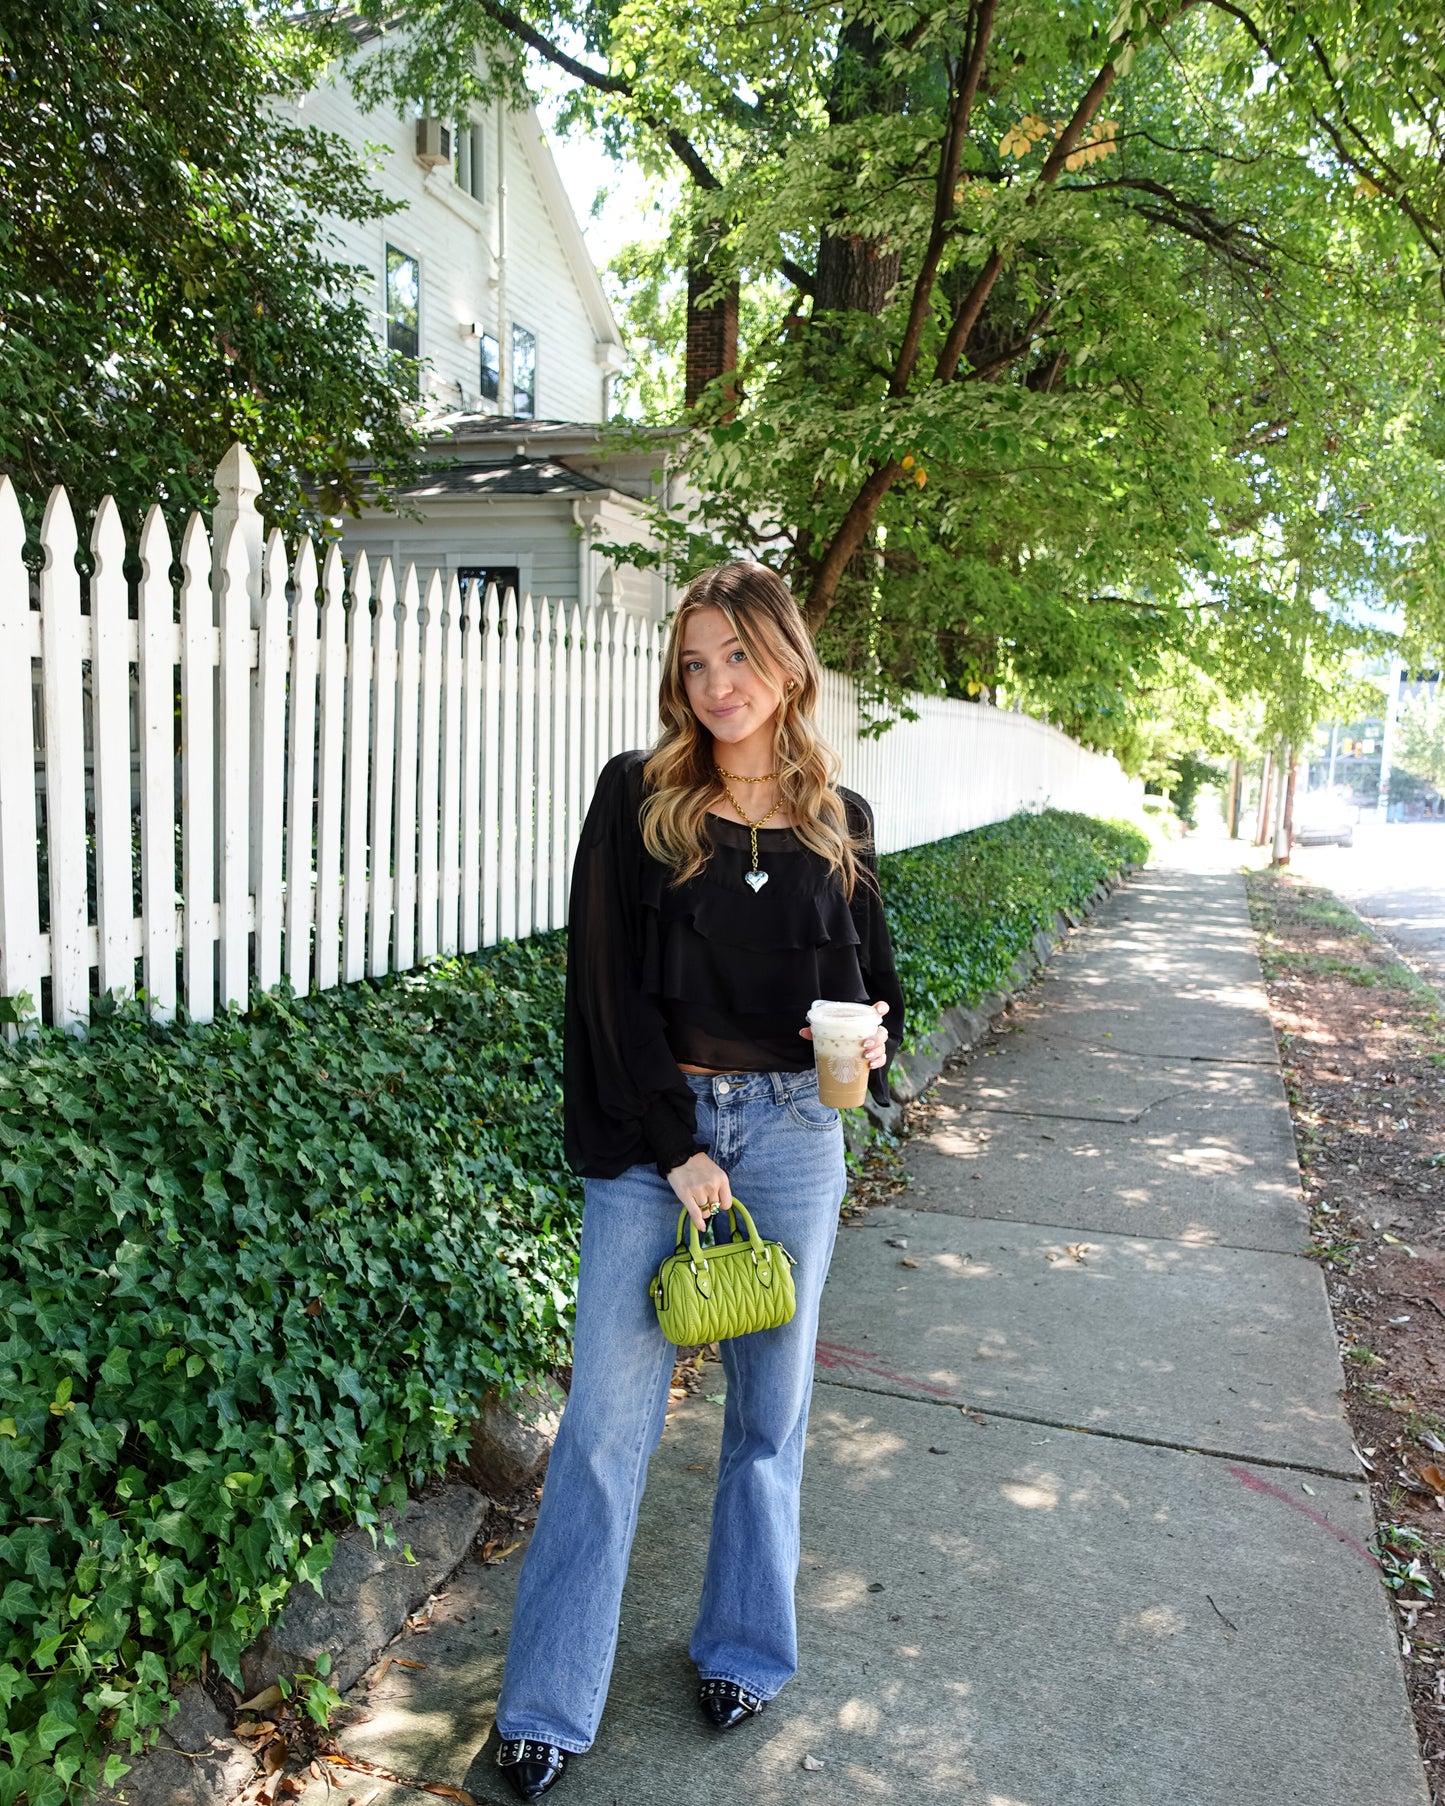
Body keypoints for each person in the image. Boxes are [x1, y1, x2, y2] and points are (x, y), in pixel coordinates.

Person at [493, 561, 904, 1800]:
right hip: (650, 1137)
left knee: (767, 1417)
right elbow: (603, 989)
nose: (715, 685)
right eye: (693, 662)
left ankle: (742, 1648)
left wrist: (870, 1047)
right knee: (605, 1430)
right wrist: (673, 1143)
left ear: (786, 663)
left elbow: (874, 986)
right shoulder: (638, 799)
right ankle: (547, 1704)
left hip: (791, 1136)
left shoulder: (843, 822)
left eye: (736, 656)